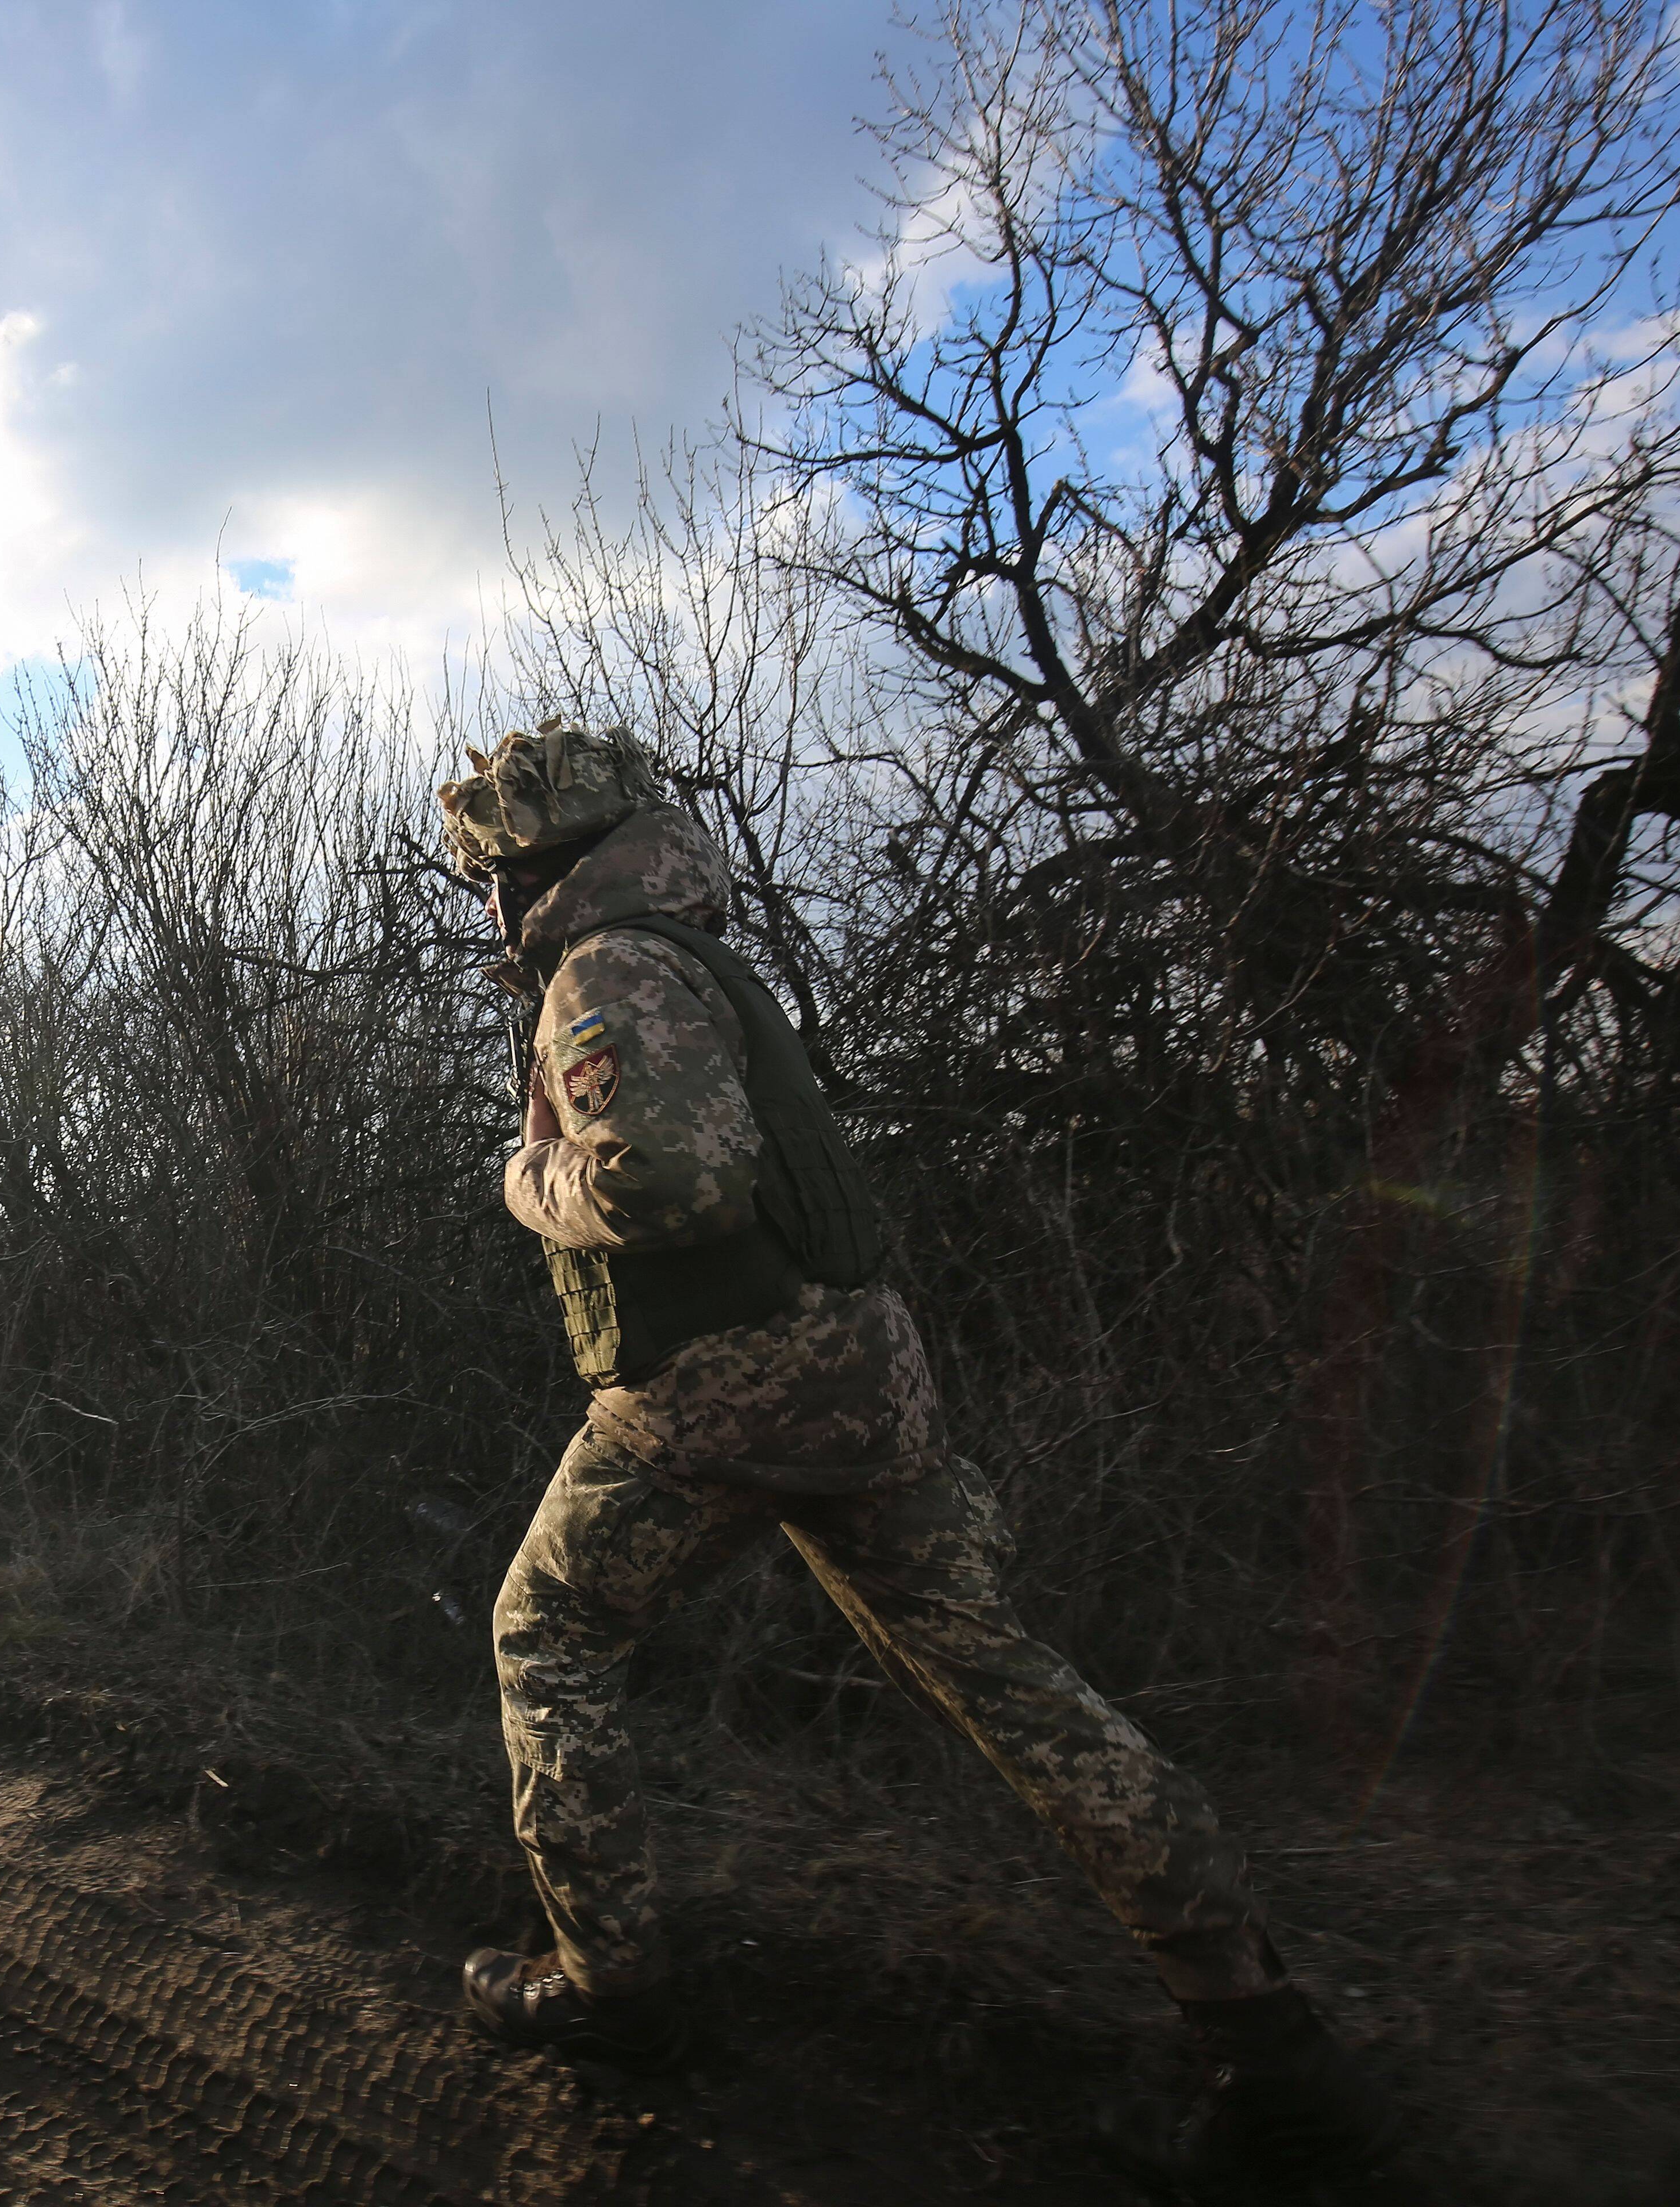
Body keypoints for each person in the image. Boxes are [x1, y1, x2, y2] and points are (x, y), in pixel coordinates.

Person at [437, 718, 1397, 2193]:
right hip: (865, 1387)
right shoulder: (702, 956)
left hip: (714, 1397)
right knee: (1009, 1683)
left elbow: (672, 1181)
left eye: (495, 881)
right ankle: (1266, 2037)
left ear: (537, 874)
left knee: (544, 1633)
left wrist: (528, 1180)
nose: (490, 913)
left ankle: (607, 1988)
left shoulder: (606, 968)